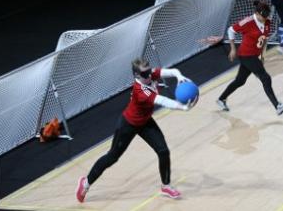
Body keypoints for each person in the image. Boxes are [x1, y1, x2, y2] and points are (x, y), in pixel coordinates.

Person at [75, 59, 197, 202]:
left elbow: (170, 71)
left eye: (149, 70)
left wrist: (179, 76)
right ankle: (86, 183)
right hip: (128, 124)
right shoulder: (140, 91)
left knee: (163, 151)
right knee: (112, 157)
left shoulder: (149, 75)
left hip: (145, 122)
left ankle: (166, 185)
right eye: (145, 73)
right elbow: (162, 100)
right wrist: (183, 107)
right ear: (137, 75)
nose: (150, 75)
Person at [216, 1, 283, 115]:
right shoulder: (248, 22)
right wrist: (233, 49)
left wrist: (261, 55)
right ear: (256, 13)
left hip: (255, 55)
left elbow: (264, 40)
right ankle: (277, 106)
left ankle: (221, 99)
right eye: (262, 16)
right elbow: (231, 30)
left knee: (240, 81)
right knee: (265, 77)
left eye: (266, 16)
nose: (264, 19)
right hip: (246, 55)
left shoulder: (267, 22)